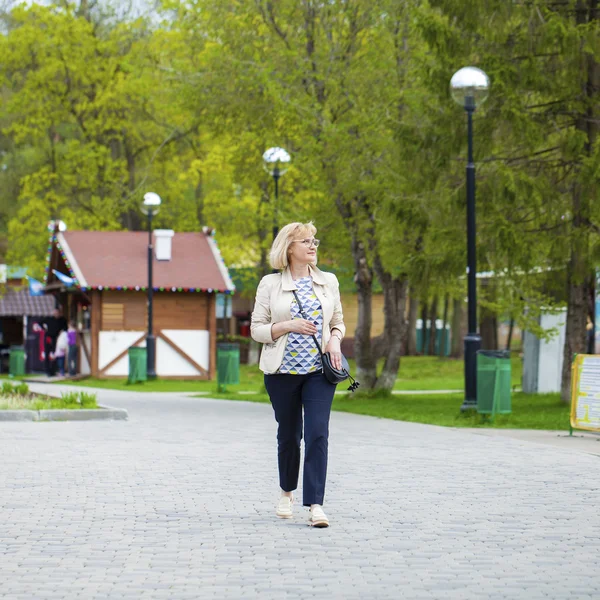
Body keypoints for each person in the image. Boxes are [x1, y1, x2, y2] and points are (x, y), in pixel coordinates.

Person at [251, 222, 345, 528]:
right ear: (289, 248)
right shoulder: (269, 284)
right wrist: (287, 326)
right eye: (306, 241)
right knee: (290, 435)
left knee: (318, 433)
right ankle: (286, 492)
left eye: (315, 240)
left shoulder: (328, 281)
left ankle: (316, 505)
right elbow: (257, 329)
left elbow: (338, 322)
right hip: (282, 372)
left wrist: (335, 339)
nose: (313, 246)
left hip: (319, 371)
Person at [43, 307, 68, 377]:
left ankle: (53, 370)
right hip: (48, 338)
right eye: (55, 313)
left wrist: (62, 331)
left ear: (59, 313)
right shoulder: (49, 319)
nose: (56, 314)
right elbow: (40, 323)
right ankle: (47, 370)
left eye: (57, 313)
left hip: (57, 340)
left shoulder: (62, 320)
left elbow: (66, 329)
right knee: (47, 354)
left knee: (56, 354)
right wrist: (44, 328)